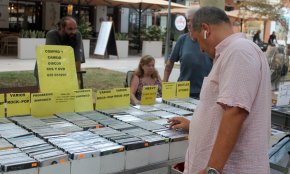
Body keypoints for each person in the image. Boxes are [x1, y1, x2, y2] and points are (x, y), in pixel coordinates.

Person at [169, 7, 271, 174]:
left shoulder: (239, 52)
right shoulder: (232, 52)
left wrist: (212, 170)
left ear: (206, 30)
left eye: (198, 42)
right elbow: (223, 110)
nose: (200, 49)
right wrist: (194, 126)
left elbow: (235, 112)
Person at [163, 8, 212, 99]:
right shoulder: (182, 39)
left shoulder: (209, 40)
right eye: (188, 20)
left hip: (204, 93)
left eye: (192, 20)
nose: (189, 23)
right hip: (183, 92)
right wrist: (165, 84)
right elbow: (169, 64)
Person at [34, 16, 85, 86]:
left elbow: (77, 58)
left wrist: (78, 80)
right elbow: (54, 58)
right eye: (70, 29)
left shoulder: (77, 35)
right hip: (47, 70)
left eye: (75, 28)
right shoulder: (51, 35)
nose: (73, 32)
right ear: (61, 28)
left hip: (66, 70)